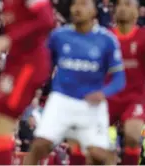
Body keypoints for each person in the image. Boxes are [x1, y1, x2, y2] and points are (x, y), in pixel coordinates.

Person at [23, 0, 126, 165]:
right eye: (75, 4)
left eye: (84, 4)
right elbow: (44, 66)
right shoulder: (59, 36)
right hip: (61, 99)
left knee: (100, 156)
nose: (78, 8)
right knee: (39, 146)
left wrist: (103, 93)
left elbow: (119, 79)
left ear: (94, 11)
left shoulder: (107, 40)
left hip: (91, 104)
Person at [0, 0, 56, 164]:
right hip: (15, 63)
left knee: (3, 119)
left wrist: (9, 39)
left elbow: (47, 19)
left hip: (29, 64)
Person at [107, 0, 145, 164]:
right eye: (120, 4)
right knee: (93, 147)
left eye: (128, 4)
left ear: (138, 12)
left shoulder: (143, 38)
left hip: (134, 97)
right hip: (107, 97)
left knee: (133, 134)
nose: (122, 8)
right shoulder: (105, 36)